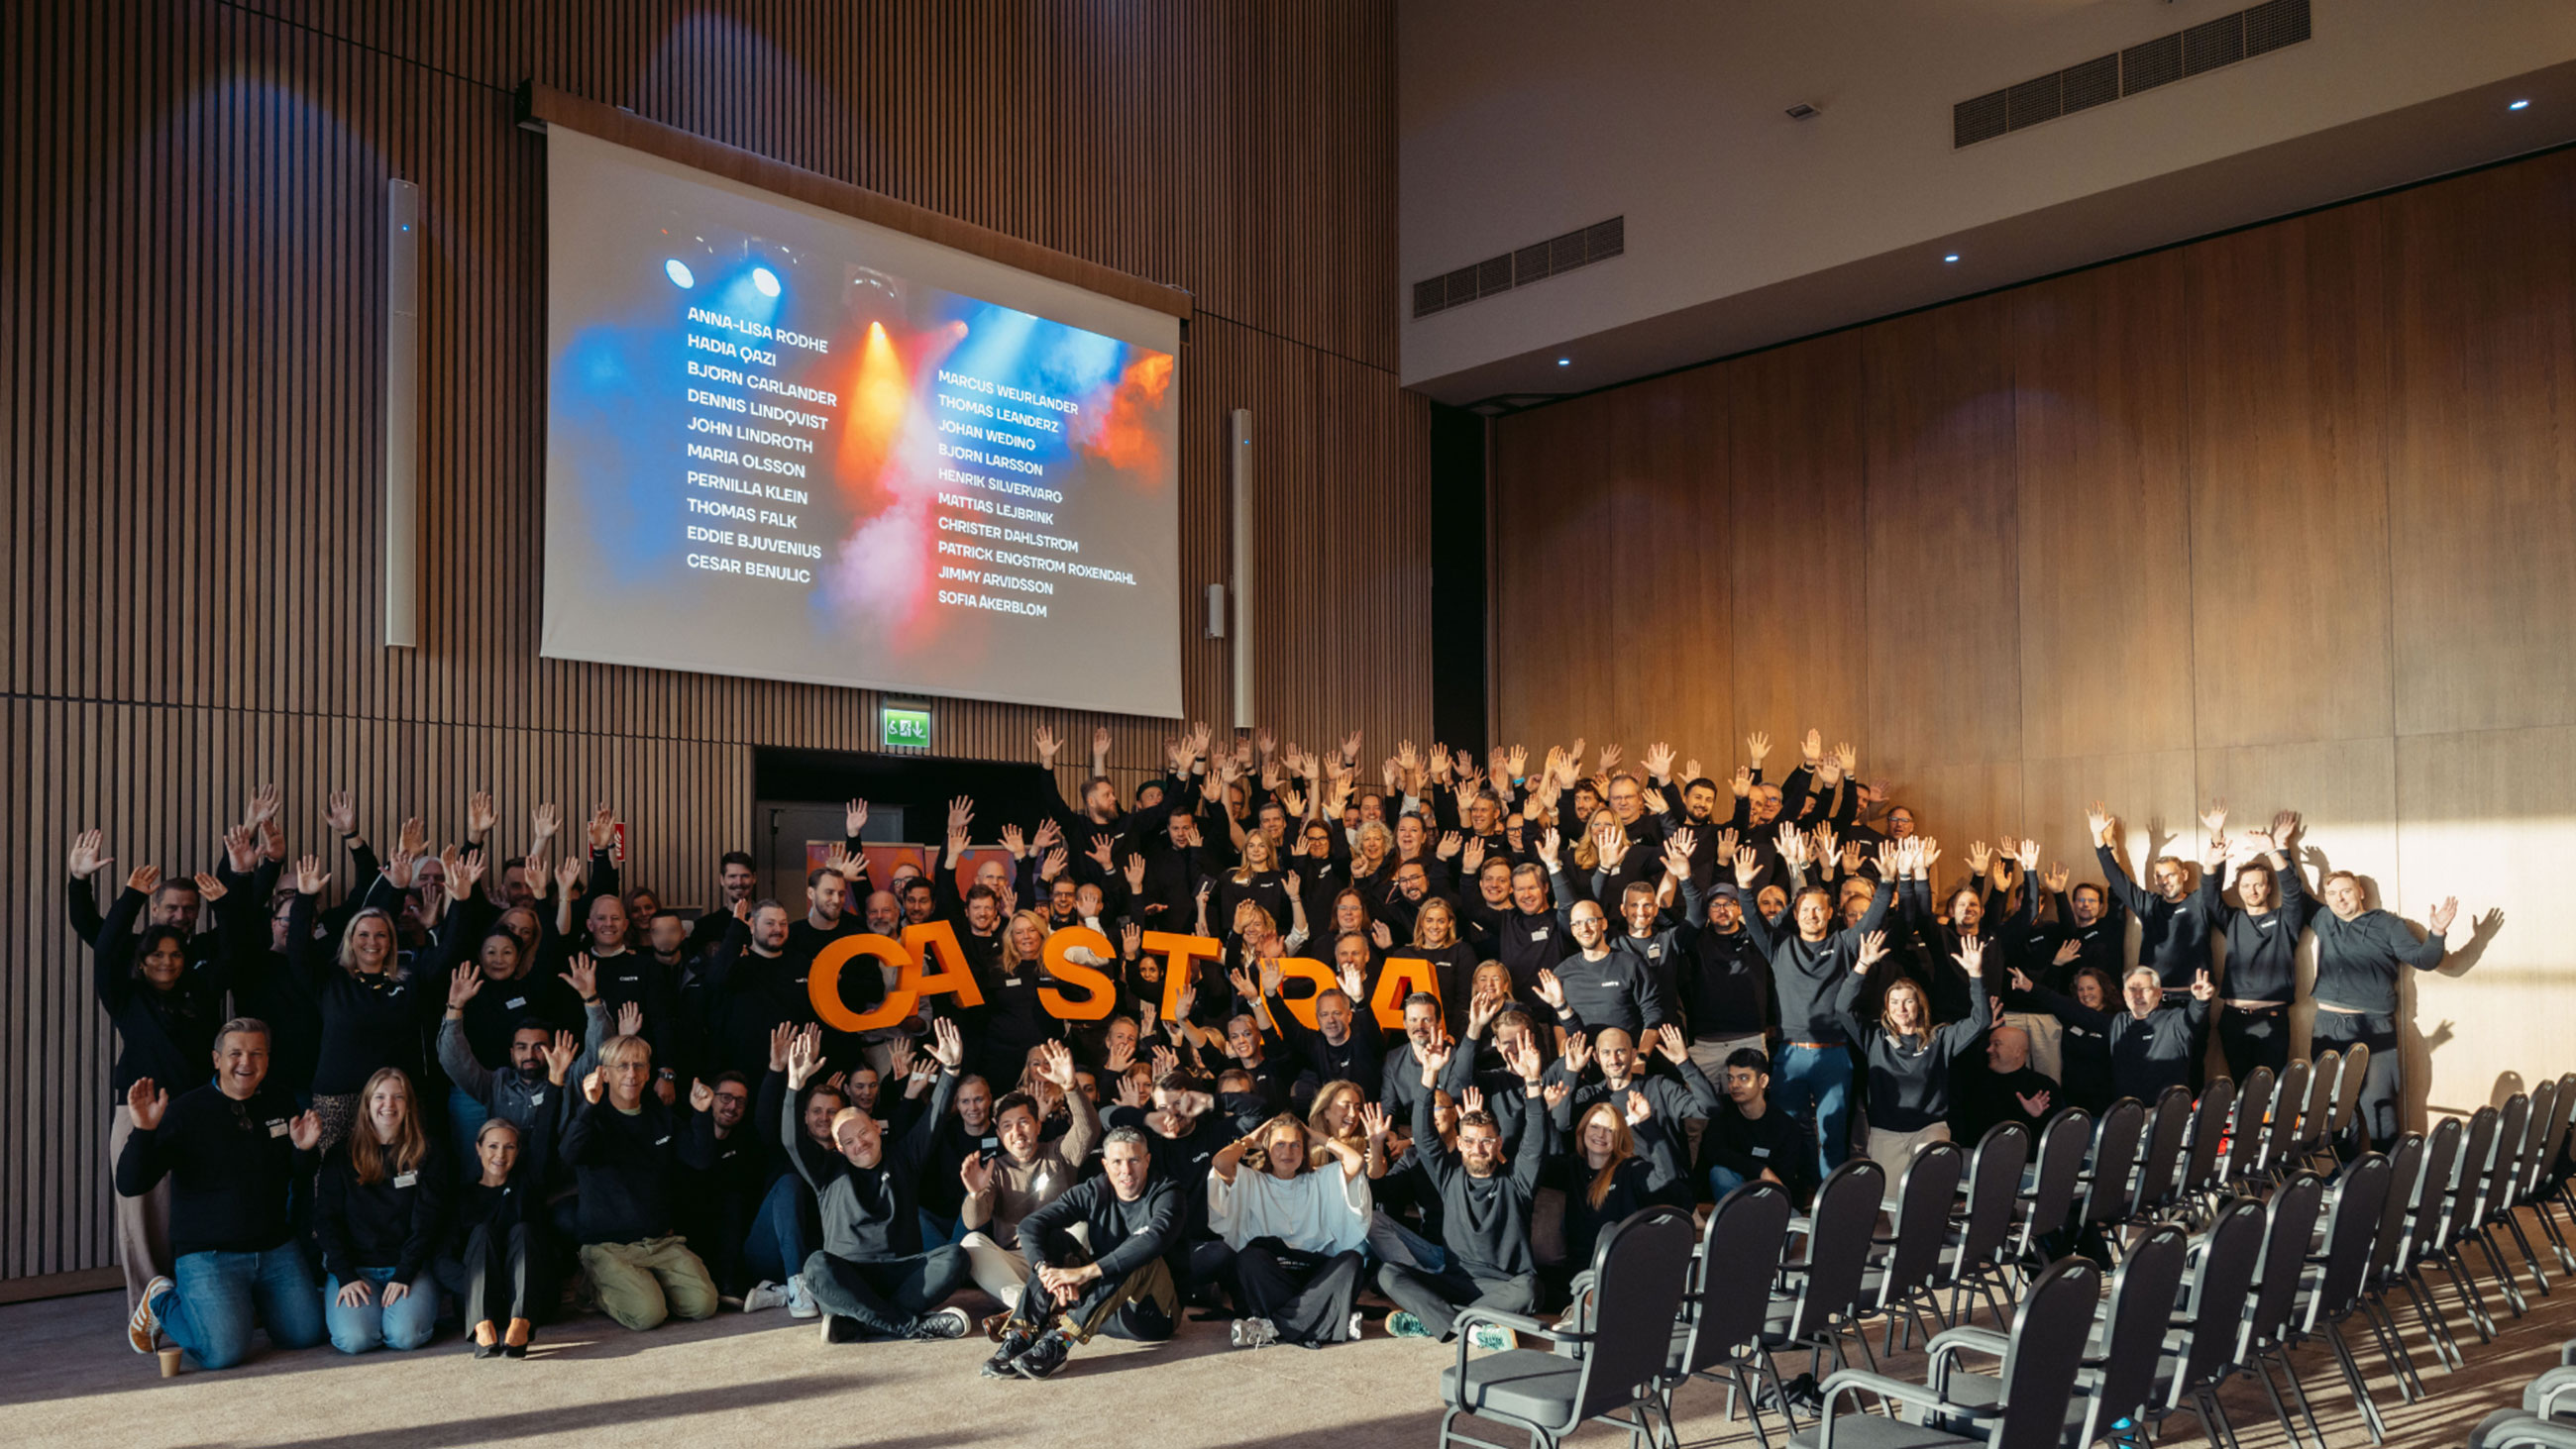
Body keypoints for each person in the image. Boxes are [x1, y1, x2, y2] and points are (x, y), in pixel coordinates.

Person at [119, 1019, 329, 1370]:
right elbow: (131, 1184)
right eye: (235, 1053)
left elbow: (299, 1175)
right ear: (216, 1059)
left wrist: (305, 1150)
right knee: (222, 1353)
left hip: (275, 1250)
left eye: (256, 1053)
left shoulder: (279, 1100)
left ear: (267, 1059)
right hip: (209, 1255)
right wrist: (143, 1131)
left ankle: (242, 1305)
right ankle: (162, 1300)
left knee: (305, 1335)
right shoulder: (185, 1112)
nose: (246, 1062)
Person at [92, 858, 241, 1315]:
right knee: (142, 1212)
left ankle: (199, 1295)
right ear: (142, 960)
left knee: (199, 1203)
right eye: (156, 954)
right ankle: (150, 1305)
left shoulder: (201, 989)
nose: (165, 961)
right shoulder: (125, 998)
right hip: (139, 1114)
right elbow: (104, 949)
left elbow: (237, 951)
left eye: (175, 954)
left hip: (197, 1111)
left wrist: (225, 905)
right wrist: (132, 897)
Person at [781, 1017, 976, 1343]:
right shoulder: (827, 1171)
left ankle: (863, 1324)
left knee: (955, 1257)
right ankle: (908, 1326)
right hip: (849, 1276)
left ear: (875, 1127)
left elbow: (935, 1118)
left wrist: (952, 1070)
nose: (860, 1143)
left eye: (863, 1132)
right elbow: (791, 1141)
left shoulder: (904, 1157)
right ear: (840, 1148)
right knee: (815, 1266)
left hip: (902, 1272)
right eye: (849, 1141)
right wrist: (794, 1086)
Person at [1736, 832, 1897, 1182]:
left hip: (1835, 1055)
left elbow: (1871, 920)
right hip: (1790, 1055)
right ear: (1795, 914)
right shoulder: (1778, 946)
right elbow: (1751, 920)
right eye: (1805, 909)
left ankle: (1830, 1201)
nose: (1811, 915)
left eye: (1818, 910)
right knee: (1788, 1131)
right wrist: (1744, 889)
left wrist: (1885, 883)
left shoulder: (1845, 943)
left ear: (1830, 914)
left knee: (1833, 1134)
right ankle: (1788, 1199)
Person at [1379, 1031, 1549, 1345]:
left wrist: (1534, 1082)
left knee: (1531, 1289)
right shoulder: (1448, 1177)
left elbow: (1535, 1142)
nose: (1478, 1148)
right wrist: (1429, 1074)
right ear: (1459, 1143)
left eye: (1486, 1141)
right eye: (1469, 1141)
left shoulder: (1518, 1181)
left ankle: (1439, 1322)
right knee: (1389, 1273)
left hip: (1506, 1287)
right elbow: (1424, 1135)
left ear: (1497, 1143)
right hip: (1456, 1282)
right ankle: (1476, 1328)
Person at [984, 1126, 1182, 1379]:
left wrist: (1084, 1273)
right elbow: (1031, 1225)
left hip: (1152, 1317)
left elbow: (1156, 1239)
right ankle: (1022, 1334)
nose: (1126, 1170)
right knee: (1054, 1239)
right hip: (1102, 1308)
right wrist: (1045, 1271)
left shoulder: (1167, 1192)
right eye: (1117, 1161)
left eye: (1134, 1160)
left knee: (1139, 1251)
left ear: (1147, 1160)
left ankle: (1059, 1343)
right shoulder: (1095, 1190)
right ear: (1105, 1164)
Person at [559, 1032, 720, 1331]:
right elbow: (569, 1155)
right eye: (622, 1066)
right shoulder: (592, 1115)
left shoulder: (661, 1116)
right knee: (648, 1316)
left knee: (703, 1305)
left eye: (638, 1065)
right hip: (608, 1246)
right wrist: (588, 1107)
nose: (631, 1074)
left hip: (660, 1241)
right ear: (604, 1074)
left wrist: (701, 1114)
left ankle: (646, 1287)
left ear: (648, 1073)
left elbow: (700, 1159)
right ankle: (594, 1287)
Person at [2302, 867, 2458, 1149]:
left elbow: (2423, 960)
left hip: (2374, 1025)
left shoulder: (2387, 924)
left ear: (2360, 892)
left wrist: (2437, 932)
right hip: (2327, 1024)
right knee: (2335, 1103)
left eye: (2346, 891)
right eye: (2332, 894)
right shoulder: (2323, 918)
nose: (2340, 899)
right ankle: (2344, 1171)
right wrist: (2279, 850)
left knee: (2379, 1101)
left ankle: (2386, 1172)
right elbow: (2291, 891)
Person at [441, 1028, 574, 1358]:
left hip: (528, 1300)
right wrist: (477, 1289)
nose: (500, 1155)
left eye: (509, 1147)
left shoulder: (529, 1182)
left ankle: (520, 1326)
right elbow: (442, 1261)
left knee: (524, 1229)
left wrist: (556, 1080)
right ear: (478, 1149)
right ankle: (482, 1325)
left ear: (517, 1153)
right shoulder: (463, 1196)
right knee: (481, 1232)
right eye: (493, 1146)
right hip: (478, 1302)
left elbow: (544, 1136)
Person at [958, 1041, 1099, 1322]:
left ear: (1038, 1124)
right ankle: (1028, 1304)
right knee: (971, 1242)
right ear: (999, 1134)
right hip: (1018, 1261)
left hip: (1061, 1257)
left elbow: (1089, 1130)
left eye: (1023, 1122)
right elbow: (974, 1222)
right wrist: (975, 1194)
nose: (1017, 1132)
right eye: (1008, 1126)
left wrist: (1070, 1087)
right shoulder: (995, 1169)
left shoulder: (1059, 1152)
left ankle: (1031, 1309)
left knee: (1085, 1226)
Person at [1208, 1111, 1371, 1348]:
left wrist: (1320, 1138)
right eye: (1280, 1145)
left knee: (1353, 1260)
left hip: (1312, 1275)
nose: (1288, 1152)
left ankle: (1274, 1326)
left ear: (1305, 1150)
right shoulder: (1252, 1180)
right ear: (1266, 1149)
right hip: (1273, 1274)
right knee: (1248, 1259)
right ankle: (1325, 1318)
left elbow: (1355, 1162)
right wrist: (1249, 1140)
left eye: (1296, 1145)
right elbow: (1221, 1162)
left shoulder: (1319, 1179)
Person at [314, 1067, 448, 1353]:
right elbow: (326, 1220)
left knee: (404, 1337)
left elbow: (428, 1222)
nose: (389, 1105)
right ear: (367, 1104)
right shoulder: (341, 1154)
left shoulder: (428, 1152)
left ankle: (395, 1316)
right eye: (380, 1097)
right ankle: (370, 1316)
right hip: (355, 1270)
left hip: (409, 1268)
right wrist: (346, 1276)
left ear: (409, 1105)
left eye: (398, 1097)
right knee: (355, 1340)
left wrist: (404, 1272)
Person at [1839, 933, 1992, 1173]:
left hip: (1930, 1128)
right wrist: (1862, 965)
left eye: (1908, 1002)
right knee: (1890, 1207)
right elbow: (1843, 1009)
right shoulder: (1874, 1038)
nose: (1900, 1008)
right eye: (1894, 1002)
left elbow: (1981, 1020)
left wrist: (1975, 975)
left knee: (1927, 1184)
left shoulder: (1940, 1038)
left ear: (1919, 1005)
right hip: (1886, 1132)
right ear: (1887, 1009)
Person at [2201, 810, 2310, 1081]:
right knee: (2240, 1093)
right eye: (2246, 885)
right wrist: (2210, 861)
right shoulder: (2233, 920)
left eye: (2258, 885)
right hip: (2232, 1020)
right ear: (2238, 889)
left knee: (2270, 1095)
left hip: (2271, 1020)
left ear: (2268, 888)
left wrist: (2273, 851)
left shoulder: (2285, 920)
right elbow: (2208, 899)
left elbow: (2295, 894)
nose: (2252, 890)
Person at [2010, 964, 2213, 1104]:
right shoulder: (2117, 1023)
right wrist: (2031, 988)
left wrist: (2201, 1001)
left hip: (2167, 1114)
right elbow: (2072, 1009)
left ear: (2158, 993)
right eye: (2132, 990)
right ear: (2124, 995)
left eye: (2144, 989)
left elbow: (2194, 1017)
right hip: (2125, 1115)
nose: (2137, 996)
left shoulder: (2176, 1021)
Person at [1701, 1048, 1810, 1204]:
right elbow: (1714, 1151)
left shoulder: (1785, 1125)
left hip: (1771, 1197)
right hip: (1734, 1192)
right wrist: (1760, 1170)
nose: (1734, 1085)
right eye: (1730, 1078)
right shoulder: (1722, 1110)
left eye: (1743, 1078)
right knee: (1720, 1174)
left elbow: (1785, 1179)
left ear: (1763, 1081)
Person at [1957, 1022, 2060, 1143]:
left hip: (2021, 1158)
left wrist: (2034, 1117)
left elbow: (2053, 1139)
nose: (1989, 1049)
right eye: (1989, 1044)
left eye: (1996, 1044)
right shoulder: (1973, 1082)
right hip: (1973, 1155)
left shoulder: (2043, 1087)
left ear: (2017, 1051)